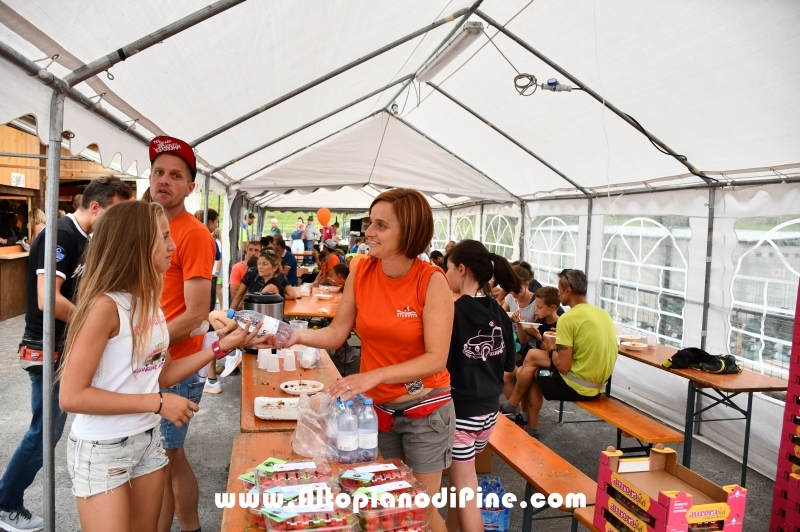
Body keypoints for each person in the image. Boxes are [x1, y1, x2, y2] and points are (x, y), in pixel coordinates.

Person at [256, 189, 454, 532]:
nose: (369, 232)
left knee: (420, 510)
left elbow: (436, 359)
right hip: (375, 412)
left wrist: (373, 376)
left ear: (409, 232)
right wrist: (295, 336)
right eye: (369, 222)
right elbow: (336, 334)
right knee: (387, 507)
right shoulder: (362, 269)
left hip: (425, 408)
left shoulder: (431, 280)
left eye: (381, 225)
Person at [57, 201, 259, 532]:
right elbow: (72, 396)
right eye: (163, 237)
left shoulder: (148, 302)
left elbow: (160, 374)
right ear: (136, 245)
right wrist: (159, 403)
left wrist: (222, 346)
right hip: (103, 449)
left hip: (146, 440)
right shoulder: (105, 308)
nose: (173, 245)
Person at [0, 176, 131, 531]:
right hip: (46, 347)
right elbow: (48, 298)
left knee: (51, 429)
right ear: (94, 207)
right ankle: (5, 503)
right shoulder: (61, 235)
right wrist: (91, 325)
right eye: (115, 214)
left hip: (65, 345)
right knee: (45, 432)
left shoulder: (87, 238)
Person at [147, 135, 217, 532]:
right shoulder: (148, 227)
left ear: (191, 187)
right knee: (160, 460)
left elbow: (195, 313)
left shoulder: (192, 234)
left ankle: (189, 527)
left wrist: (143, 345)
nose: (164, 180)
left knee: (165, 461)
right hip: (154, 361)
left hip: (174, 362)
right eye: (159, 172)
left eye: (176, 175)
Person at [443, 240, 516, 532]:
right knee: (459, 487)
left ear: (461, 269)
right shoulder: (499, 313)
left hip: (461, 414)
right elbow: (509, 366)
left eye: (447, 267)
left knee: (464, 488)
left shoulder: (453, 312)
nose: (444, 273)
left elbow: (439, 363)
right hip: (488, 414)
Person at [503, 269, 618, 439]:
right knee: (534, 362)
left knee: (533, 368)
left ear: (568, 290)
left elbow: (563, 367)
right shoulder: (603, 314)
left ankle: (514, 410)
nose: (558, 293)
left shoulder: (568, 318)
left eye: (559, 289)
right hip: (599, 384)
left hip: (579, 386)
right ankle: (526, 425)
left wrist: (551, 347)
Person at [501, 286, 561, 429]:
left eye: (539, 307)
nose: (535, 310)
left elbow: (554, 356)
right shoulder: (542, 321)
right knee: (523, 372)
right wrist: (519, 324)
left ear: (552, 307)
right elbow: (523, 341)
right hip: (537, 362)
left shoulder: (559, 325)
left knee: (526, 371)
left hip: (554, 369)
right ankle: (526, 420)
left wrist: (539, 337)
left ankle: (515, 408)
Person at [230, 250, 298, 310]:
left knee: (219, 317)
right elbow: (238, 297)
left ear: (275, 267)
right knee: (219, 319)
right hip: (258, 319)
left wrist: (232, 319)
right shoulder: (270, 281)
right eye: (259, 263)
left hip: (261, 321)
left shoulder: (271, 286)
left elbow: (255, 311)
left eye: (265, 264)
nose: (260, 267)